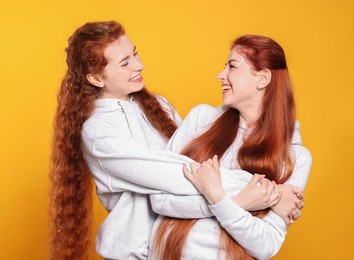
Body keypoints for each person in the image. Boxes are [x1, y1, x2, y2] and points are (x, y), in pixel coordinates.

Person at [49, 21, 303, 260]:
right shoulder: (98, 133)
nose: (139, 65)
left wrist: (229, 199)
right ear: (96, 78)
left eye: (135, 54)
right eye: (125, 62)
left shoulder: (159, 106)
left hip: (177, 246)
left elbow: (199, 171)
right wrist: (267, 191)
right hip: (134, 254)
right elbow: (178, 174)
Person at [149, 35, 312, 260]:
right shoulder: (202, 119)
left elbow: (266, 245)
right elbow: (159, 199)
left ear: (262, 78)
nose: (220, 75)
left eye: (232, 66)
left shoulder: (295, 158)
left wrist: (217, 195)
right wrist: (241, 201)